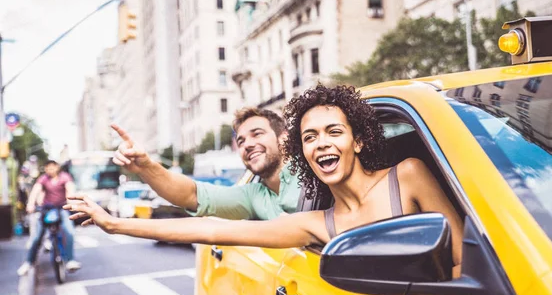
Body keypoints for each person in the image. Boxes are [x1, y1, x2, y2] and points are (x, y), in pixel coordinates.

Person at [66, 85, 465, 275]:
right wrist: (113, 222)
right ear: (301, 149)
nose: (321, 144)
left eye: (334, 132)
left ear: (358, 139)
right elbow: (207, 227)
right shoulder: (311, 222)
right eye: (310, 137)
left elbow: (467, 261)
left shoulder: (408, 175)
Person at [110, 107, 300, 221]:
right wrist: (145, 167)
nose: (248, 145)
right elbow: (191, 194)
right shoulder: (253, 196)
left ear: (284, 139)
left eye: (257, 134)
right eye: (240, 141)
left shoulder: (316, 175)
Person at [17, 160, 81, 276]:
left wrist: (72, 201)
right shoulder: (43, 179)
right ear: (45, 169)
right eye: (48, 167)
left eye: (52, 167)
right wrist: (30, 204)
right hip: (46, 209)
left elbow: (70, 189)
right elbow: (35, 190)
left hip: (62, 208)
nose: (50, 169)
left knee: (69, 232)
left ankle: (70, 260)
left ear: (57, 167)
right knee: (37, 237)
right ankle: (29, 262)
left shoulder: (64, 177)